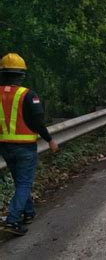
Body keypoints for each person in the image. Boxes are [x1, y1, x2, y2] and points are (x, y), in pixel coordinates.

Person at [0, 53, 58, 236]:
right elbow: (37, 122)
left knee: (20, 182)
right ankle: (13, 220)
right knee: (24, 183)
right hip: (24, 147)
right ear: (22, 74)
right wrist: (49, 139)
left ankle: (28, 213)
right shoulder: (27, 95)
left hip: (5, 147)